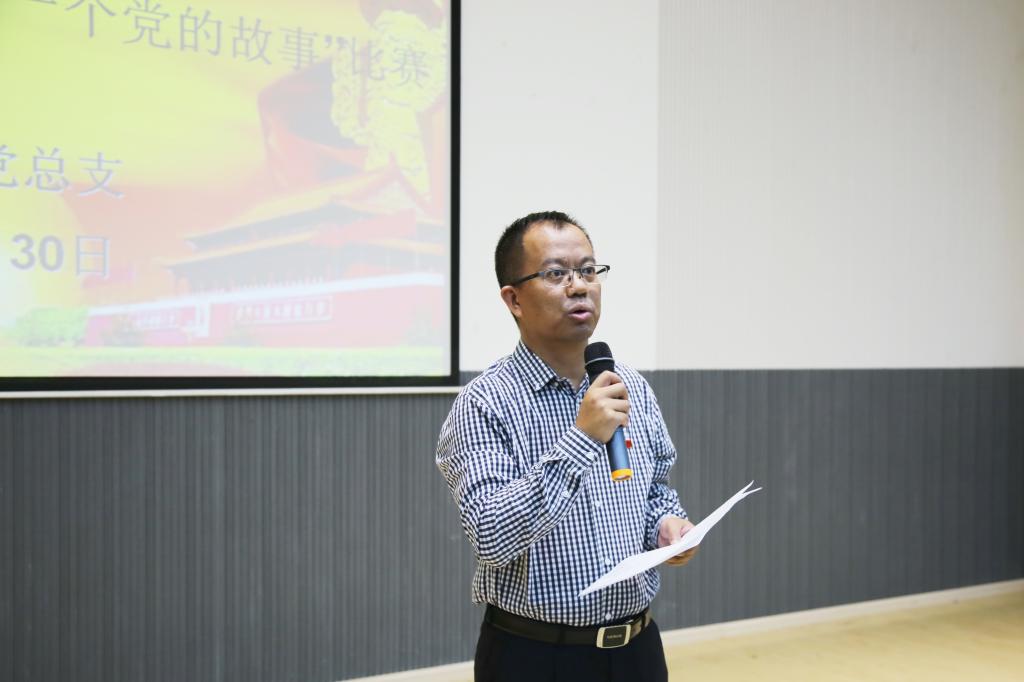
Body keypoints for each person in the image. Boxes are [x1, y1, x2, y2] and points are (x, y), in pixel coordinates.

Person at [436, 211, 697, 682]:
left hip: (636, 650)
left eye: (589, 270)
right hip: (536, 656)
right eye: (556, 274)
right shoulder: (484, 403)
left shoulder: (630, 386)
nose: (579, 287)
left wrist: (666, 526)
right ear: (514, 299)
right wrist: (582, 439)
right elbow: (491, 536)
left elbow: (655, 488)